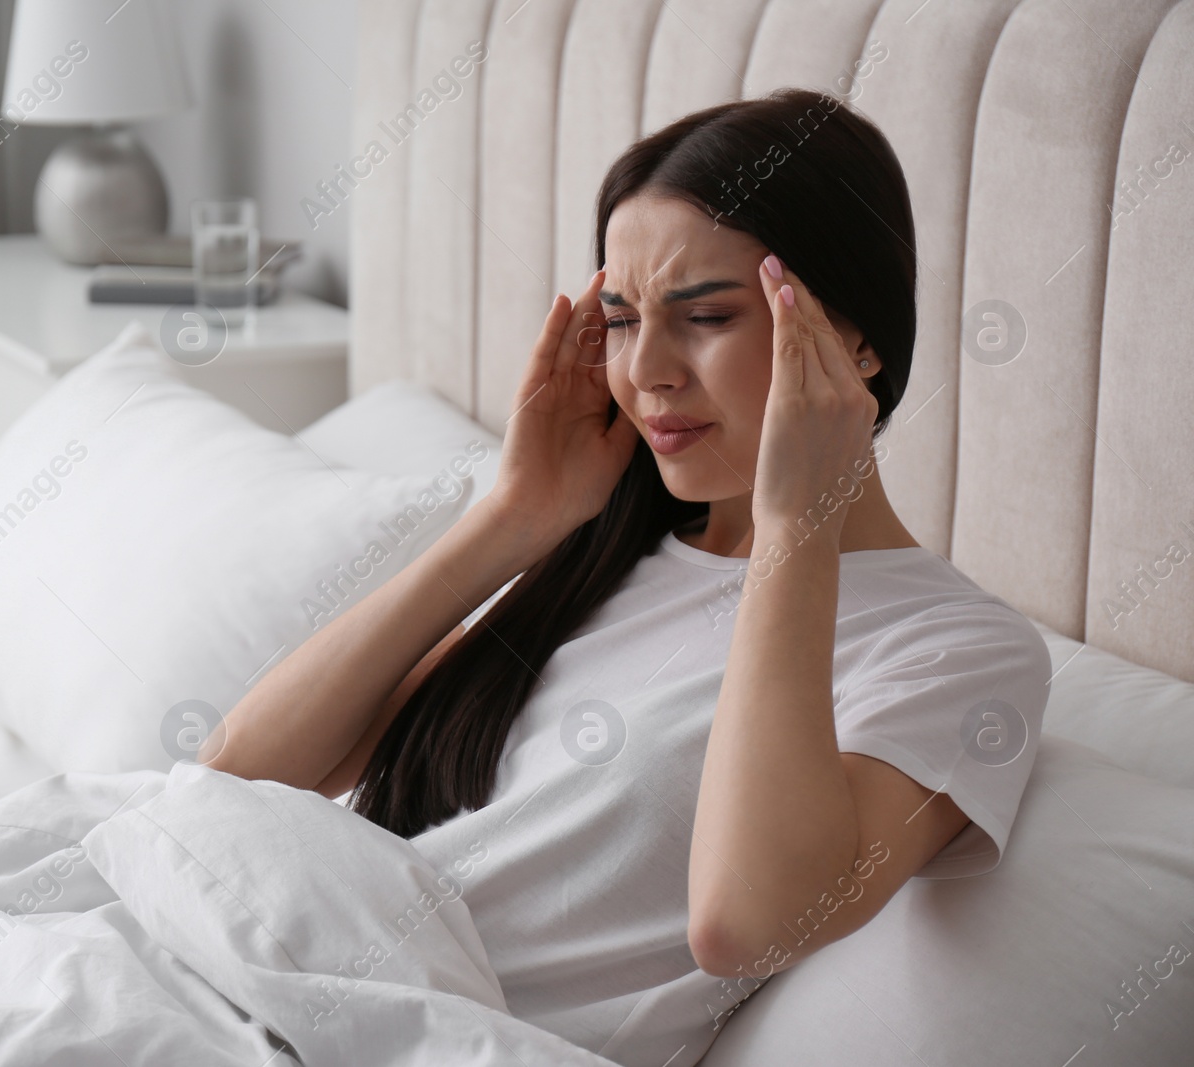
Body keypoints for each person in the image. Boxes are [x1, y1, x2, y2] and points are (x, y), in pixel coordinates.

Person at [204, 87, 1051, 1067]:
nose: (645, 367)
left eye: (705, 315)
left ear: (855, 339)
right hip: (222, 978)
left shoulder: (959, 650)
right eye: (619, 316)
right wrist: (512, 520)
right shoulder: (604, 555)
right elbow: (233, 778)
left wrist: (792, 527)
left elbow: (745, 922)